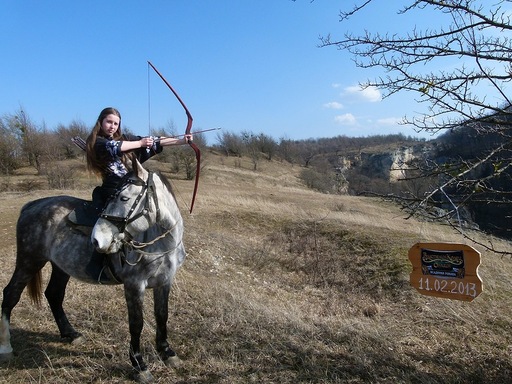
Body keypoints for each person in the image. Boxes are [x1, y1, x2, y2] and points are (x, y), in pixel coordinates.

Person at [86, 106, 192, 210]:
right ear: (101, 121)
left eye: (116, 124)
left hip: (132, 190)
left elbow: (155, 140)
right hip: (112, 192)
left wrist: (181, 141)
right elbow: (115, 147)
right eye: (109, 122)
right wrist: (140, 143)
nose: (112, 126)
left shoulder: (124, 138)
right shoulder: (96, 141)